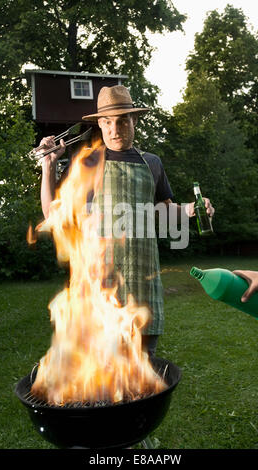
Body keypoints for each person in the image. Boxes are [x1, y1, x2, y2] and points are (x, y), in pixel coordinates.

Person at [40, 85, 215, 356]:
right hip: (98, 294)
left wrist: (191, 209)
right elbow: (53, 213)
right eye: (107, 122)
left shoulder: (152, 163)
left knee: (142, 379)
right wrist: (48, 165)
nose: (114, 128)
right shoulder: (86, 163)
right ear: (99, 123)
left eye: (122, 120)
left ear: (134, 120)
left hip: (144, 291)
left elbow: (163, 210)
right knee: (100, 386)